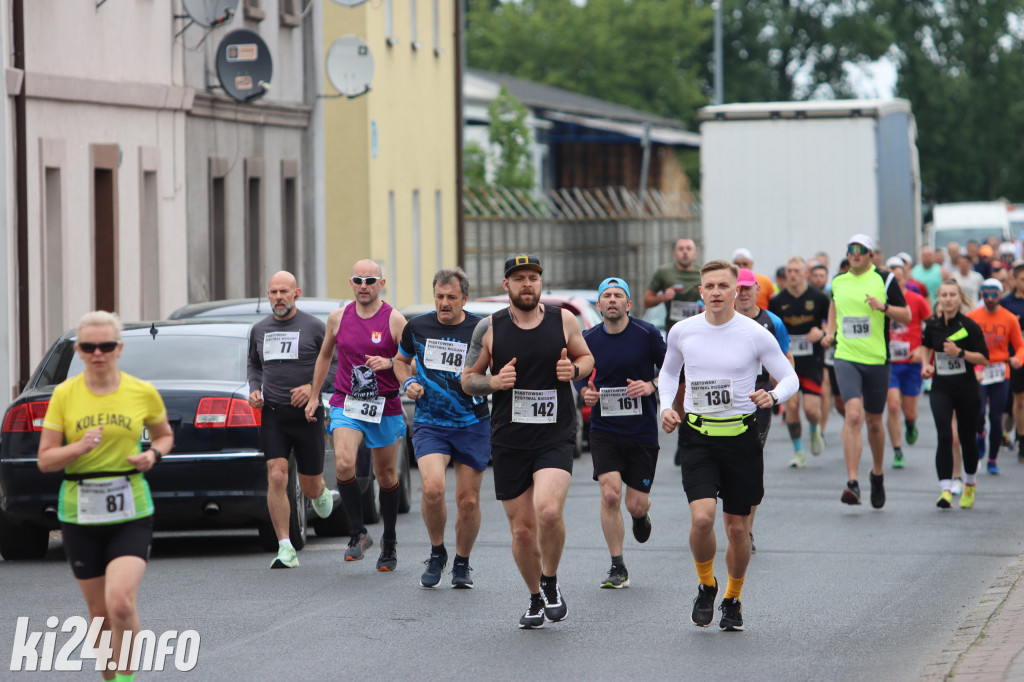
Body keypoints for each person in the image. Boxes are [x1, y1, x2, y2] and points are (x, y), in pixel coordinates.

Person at [658, 259, 798, 632]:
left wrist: (773, 395)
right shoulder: (682, 331)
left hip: (741, 438)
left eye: (724, 285)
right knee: (702, 517)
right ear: (700, 292)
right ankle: (706, 583)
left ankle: (733, 597)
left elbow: (789, 376)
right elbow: (669, 373)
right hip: (698, 437)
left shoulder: (754, 333)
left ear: (737, 290)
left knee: (737, 530)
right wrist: (665, 408)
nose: (716, 292)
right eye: (710, 286)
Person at [38, 311, 175, 681]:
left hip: (130, 505)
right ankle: (110, 677)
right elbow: (45, 460)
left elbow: (164, 435)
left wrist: (152, 455)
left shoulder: (140, 391)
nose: (98, 353)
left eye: (106, 346)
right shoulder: (65, 395)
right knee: (98, 613)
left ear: (119, 348)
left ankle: (126, 679)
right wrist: (78, 447)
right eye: (88, 347)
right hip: (79, 511)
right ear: (79, 351)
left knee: (120, 603)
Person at [461, 254, 595, 629]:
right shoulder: (489, 328)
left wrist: (575, 371)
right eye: (518, 278)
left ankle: (550, 582)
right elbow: (467, 379)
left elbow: (586, 357)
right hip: (509, 438)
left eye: (533, 278)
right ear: (506, 285)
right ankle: (535, 597)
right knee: (522, 529)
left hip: (554, 433)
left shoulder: (563, 320)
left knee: (548, 511)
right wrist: (493, 382)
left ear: (540, 283)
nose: (526, 284)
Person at [305, 259, 407, 571]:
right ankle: (357, 532)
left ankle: (389, 541)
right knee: (345, 463)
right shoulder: (338, 318)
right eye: (358, 280)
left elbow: (410, 363)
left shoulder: (396, 320)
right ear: (351, 284)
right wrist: (313, 395)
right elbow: (325, 356)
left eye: (370, 280)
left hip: (384, 404)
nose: (364, 286)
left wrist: (390, 364)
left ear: (382, 284)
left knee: (387, 475)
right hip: (346, 402)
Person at [394, 268, 489, 588]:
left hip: (472, 423)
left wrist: (486, 383)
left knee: (468, 501)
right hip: (430, 423)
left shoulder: (481, 329)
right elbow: (399, 360)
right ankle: (437, 552)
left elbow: (499, 370)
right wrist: (407, 381)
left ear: (465, 297)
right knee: (433, 489)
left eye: (451, 297)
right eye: (439, 297)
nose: (444, 303)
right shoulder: (417, 326)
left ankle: (462, 562)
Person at [575, 277, 665, 589]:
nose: (612, 300)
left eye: (618, 296)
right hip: (604, 428)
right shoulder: (587, 338)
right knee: (611, 493)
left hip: (640, 431)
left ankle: (641, 516)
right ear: (598, 305)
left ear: (628, 304)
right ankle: (618, 566)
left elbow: (672, 370)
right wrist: (583, 394)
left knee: (634, 504)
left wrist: (651, 385)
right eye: (606, 296)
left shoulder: (647, 334)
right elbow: (579, 376)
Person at [248, 271, 336, 569]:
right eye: (273, 292)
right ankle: (285, 546)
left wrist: (314, 389)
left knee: (309, 488)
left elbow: (336, 365)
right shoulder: (259, 329)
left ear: (296, 293)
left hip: (307, 416)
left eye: (284, 292)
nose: (278, 298)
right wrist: (255, 389)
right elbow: (254, 366)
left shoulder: (313, 327)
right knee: (276, 475)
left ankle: (321, 491)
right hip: (273, 414)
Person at [823, 234, 911, 508]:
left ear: (871, 254)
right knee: (852, 415)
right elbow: (834, 307)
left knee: (874, 422)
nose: (855, 254)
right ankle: (852, 482)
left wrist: (883, 307)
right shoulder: (838, 281)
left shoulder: (885, 279)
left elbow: (906, 315)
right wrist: (829, 332)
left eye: (861, 250)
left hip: (877, 359)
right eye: (851, 249)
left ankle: (877, 473)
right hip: (846, 356)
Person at [734, 268, 792, 553]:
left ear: (757, 289)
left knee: (751, 458)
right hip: (724, 399)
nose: (743, 293)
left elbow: (785, 360)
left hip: (759, 396)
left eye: (747, 288)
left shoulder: (772, 322)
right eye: (739, 288)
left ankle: (747, 529)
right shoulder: (719, 320)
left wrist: (779, 395)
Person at [919, 280, 988, 508]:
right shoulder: (933, 326)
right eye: (944, 295)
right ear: (939, 298)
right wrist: (926, 365)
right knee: (945, 436)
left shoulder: (970, 326)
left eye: (952, 295)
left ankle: (969, 484)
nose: (948, 299)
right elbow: (926, 346)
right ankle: (946, 489)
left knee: (967, 439)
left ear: (960, 298)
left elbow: (983, 358)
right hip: (941, 388)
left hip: (967, 390)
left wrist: (960, 352)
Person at [769, 256, 831, 468]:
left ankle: (814, 430)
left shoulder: (819, 297)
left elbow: (833, 323)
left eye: (796, 271)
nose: (792, 275)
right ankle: (798, 452)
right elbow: (771, 330)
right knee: (792, 406)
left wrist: (822, 331)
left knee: (812, 410)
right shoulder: (777, 301)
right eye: (789, 271)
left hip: (812, 361)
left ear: (805, 274)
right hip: (788, 361)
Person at [966, 278, 1024, 475]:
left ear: (1000, 294)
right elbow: (965, 344)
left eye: (993, 293)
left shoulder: (1009, 319)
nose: (989, 297)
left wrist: (1017, 359)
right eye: (985, 293)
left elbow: (1020, 346)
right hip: (979, 370)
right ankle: (980, 433)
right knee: (979, 412)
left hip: (1001, 371)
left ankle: (992, 458)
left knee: (996, 417)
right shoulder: (973, 317)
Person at [882, 258, 931, 469]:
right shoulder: (879, 300)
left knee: (909, 412)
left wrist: (922, 348)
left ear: (905, 278)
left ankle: (910, 424)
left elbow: (933, 326)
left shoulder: (916, 299)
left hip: (911, 362)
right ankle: (897, 450)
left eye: (899, 276)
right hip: (889, 362)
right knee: (893, 406)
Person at [643, 238, 702, 332]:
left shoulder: (702, 273)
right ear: (675, 254)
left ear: (695, 254)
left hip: (698, 330)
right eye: (681, 249)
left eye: (688, 248)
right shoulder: (663, 272)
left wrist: (707, 308)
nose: (685, 252)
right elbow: (646, 302)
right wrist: (663, 297)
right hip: (673, 331)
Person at [999, 262, 1024, 462]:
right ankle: (1021, 440)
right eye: (1022, 279)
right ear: (1015, 280)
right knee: (1019, 402)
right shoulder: (1007, 303)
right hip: (1015, 358)